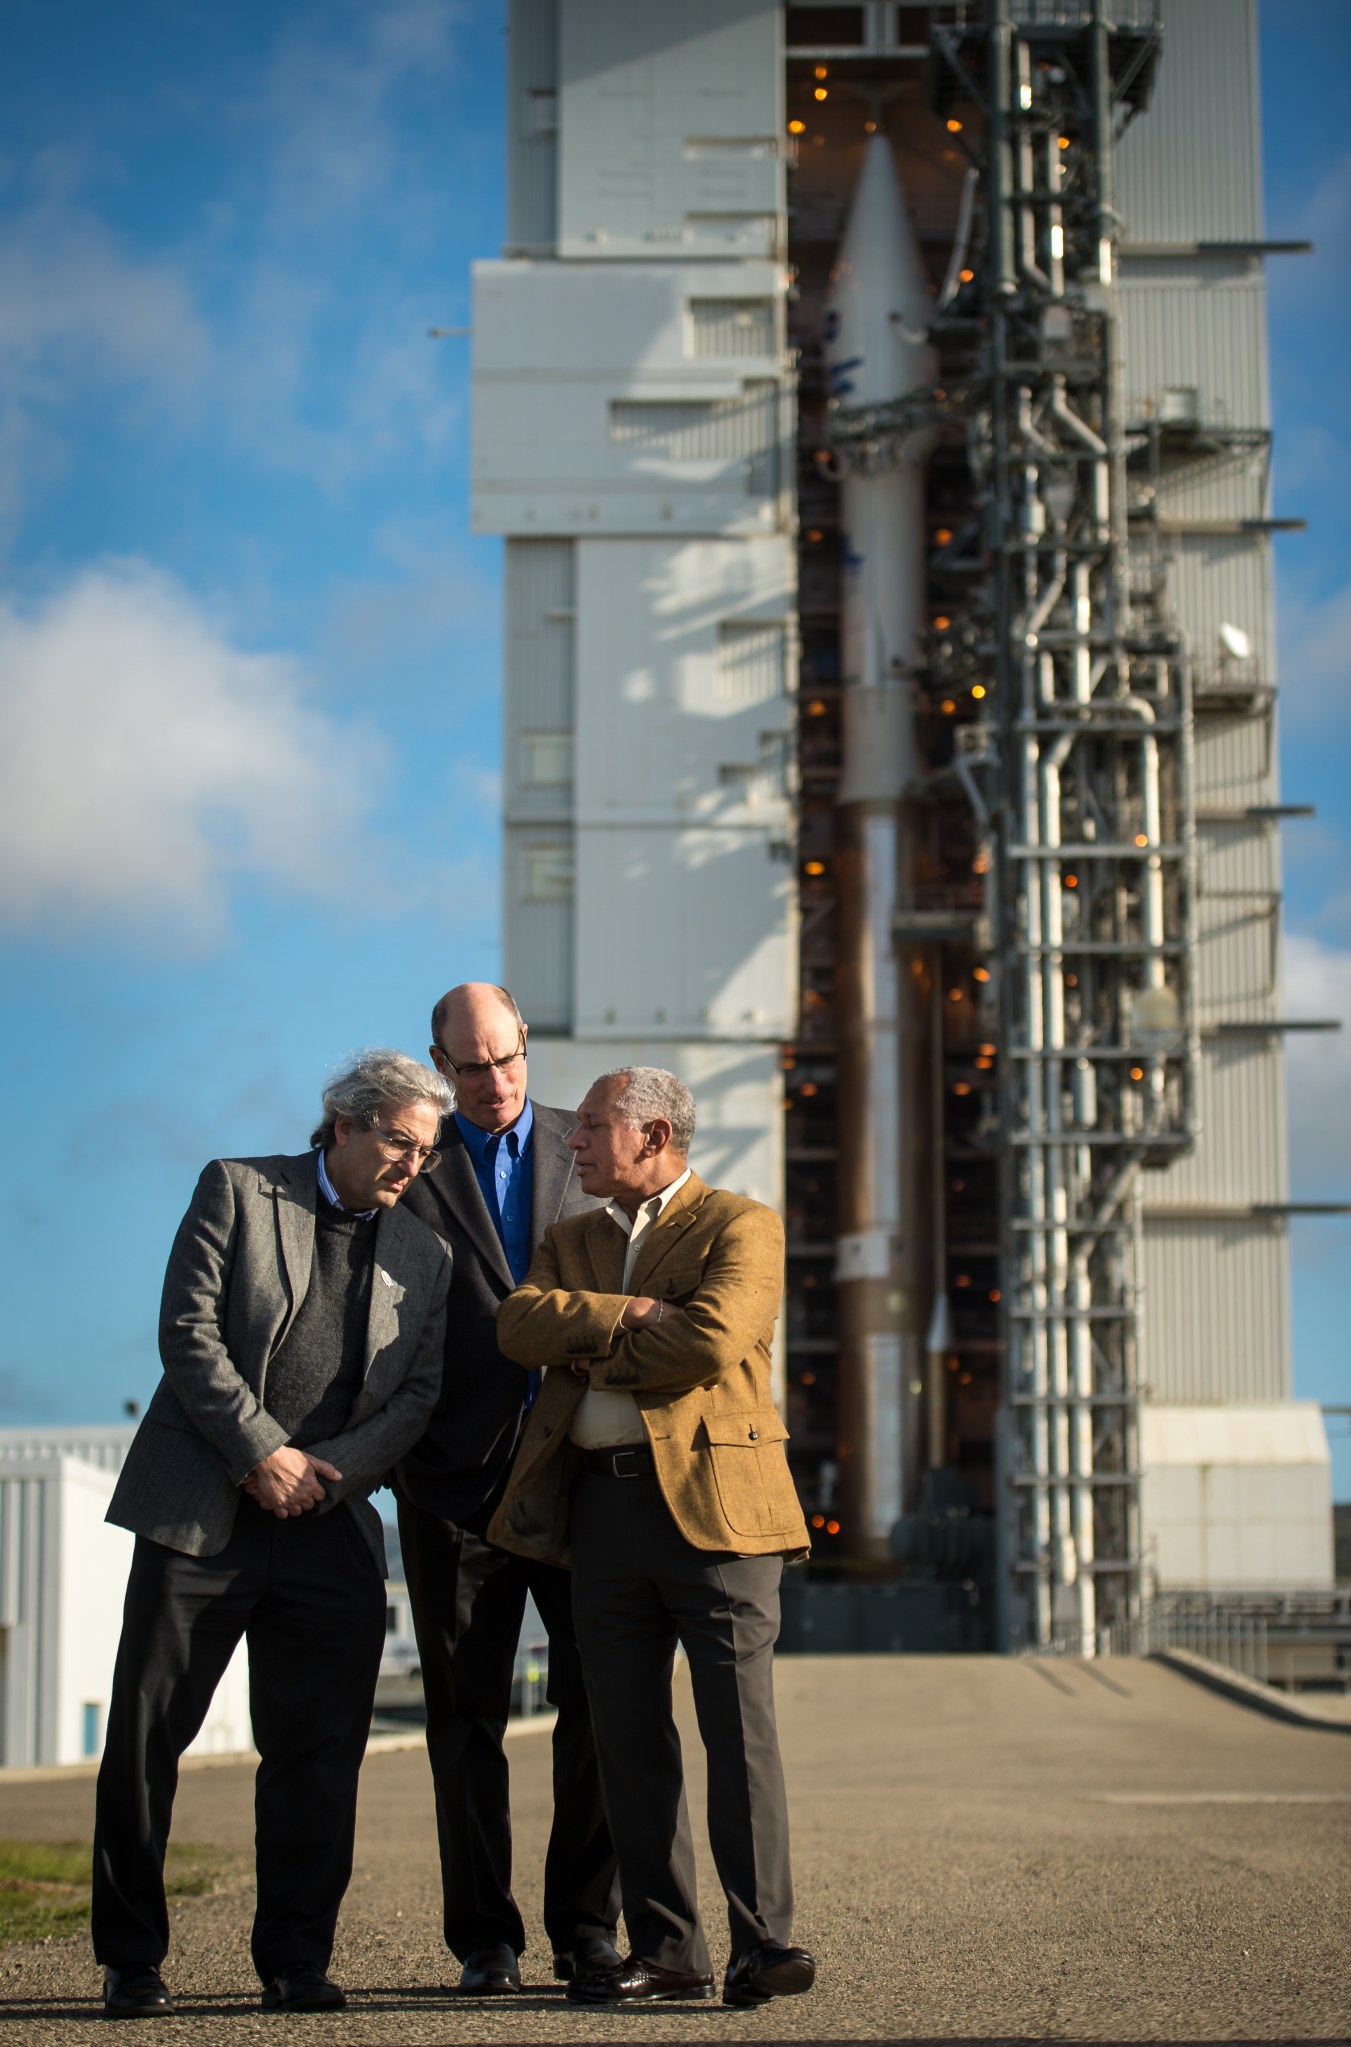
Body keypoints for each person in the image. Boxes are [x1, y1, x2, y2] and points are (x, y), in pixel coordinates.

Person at [91, 1051, 454, 2020]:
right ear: (341, 1123)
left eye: (422, 1151)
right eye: (395, 1140)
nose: (407, 1165)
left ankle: (296, 1960)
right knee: (145, 1739)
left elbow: (417, 1393)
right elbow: (188, 1330)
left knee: (317, 1754)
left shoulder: (427, 1255)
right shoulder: (238, 1189)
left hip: (328, 1523)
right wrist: (261, 1452)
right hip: (201, 1506)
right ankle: (131, 1958)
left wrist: (325, 1470)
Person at [492, 1066, 816, 2011]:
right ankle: (670, 1953)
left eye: (593, 1126)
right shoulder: (570, 1237)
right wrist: (629, 1312)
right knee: (626, 1743)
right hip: (600, 1513)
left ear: (656, 1134)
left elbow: (710, 1342)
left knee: (737, 1733)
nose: (574, 1141)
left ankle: (766, 1943)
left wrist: (583, 1340)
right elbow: (517, 1326)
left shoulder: (739, 1225)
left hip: (720, 1516)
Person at [393, 984, 619, 1992]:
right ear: (439, 1064)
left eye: (506, 1058)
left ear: (526, 1041)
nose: (493, 1083)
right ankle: (485, 1939)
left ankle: (587, 1929)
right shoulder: (412, 1159)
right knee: (464, 1717)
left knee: (600, 1707)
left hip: (580, 1476)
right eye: (471, 1066)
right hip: (456, 1486)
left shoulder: (594, 1146)